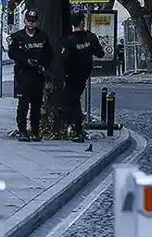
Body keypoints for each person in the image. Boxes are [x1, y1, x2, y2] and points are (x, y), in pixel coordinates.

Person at [8, 9, 53, 142]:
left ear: (37, 22)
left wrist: (42, 64)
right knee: (23, 105)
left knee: (36, 105)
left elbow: (49, 54)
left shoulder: (42, 36)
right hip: (23, 75)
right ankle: (22, 131)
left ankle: (35, 131)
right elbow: (12, 53)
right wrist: (26, 60)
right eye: (29, 21)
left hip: (38, 75)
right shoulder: (18, 37)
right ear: (25, 21)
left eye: (33, 21)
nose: (31, 24)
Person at [62, 11, 105, 143]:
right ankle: (75, 128)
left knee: (72, 101)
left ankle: (76, 129)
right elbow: (100, 54)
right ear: (82, 22)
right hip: (84, 73)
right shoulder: (90, 37)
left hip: (71, 75)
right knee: (73, 101)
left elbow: (64, 59)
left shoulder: (69, 40)